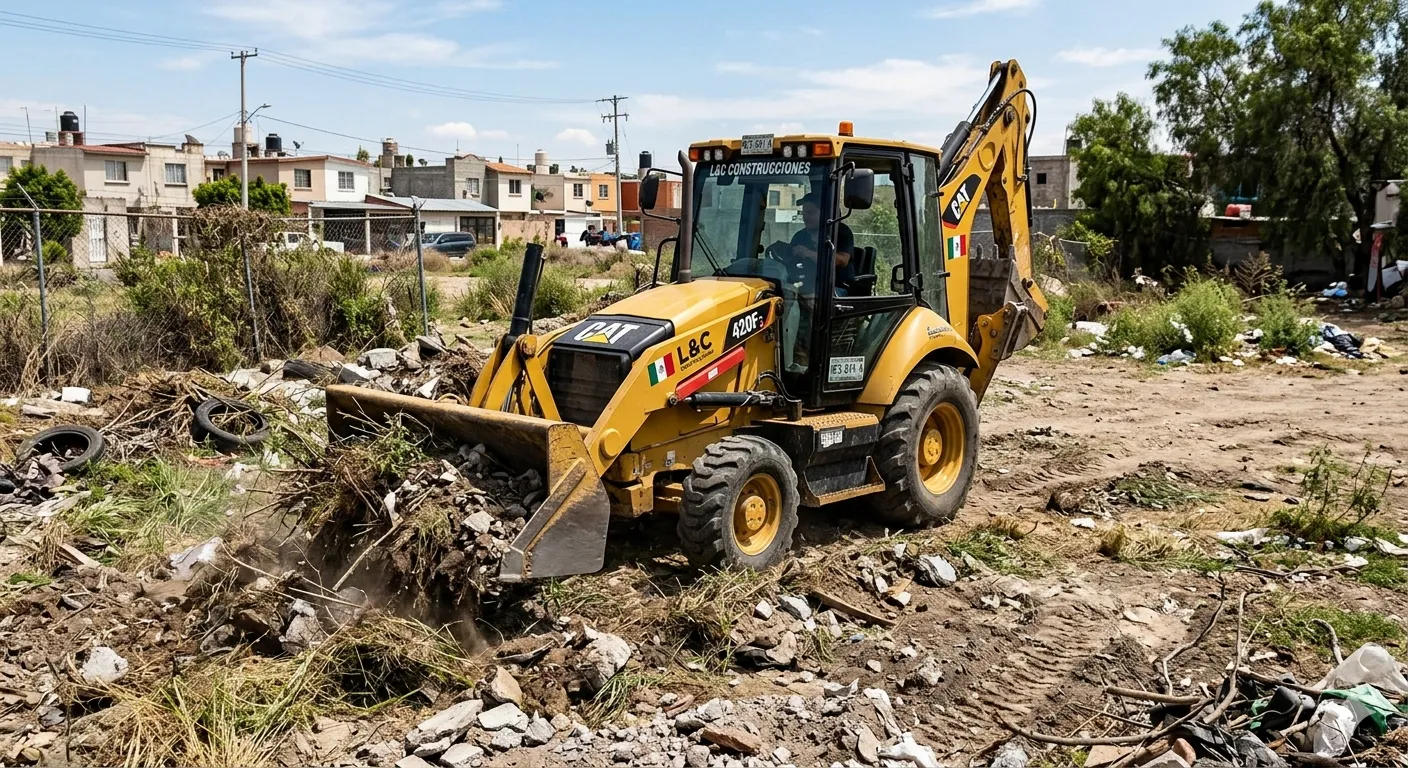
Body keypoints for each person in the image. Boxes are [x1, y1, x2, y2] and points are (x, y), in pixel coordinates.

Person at [788, 192, 855, 295]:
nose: (805, 217)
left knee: (812, 298)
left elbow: (842, 260)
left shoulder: (841, 232)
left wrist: (808, 253)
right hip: (805, 284)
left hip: (835, 288)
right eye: (803, 213)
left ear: (825, 214)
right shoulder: (800, 236)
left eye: (810, 213)